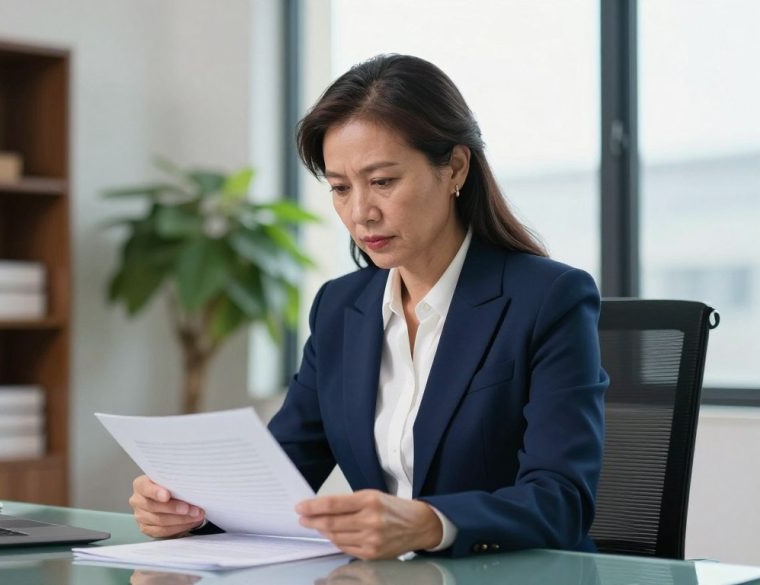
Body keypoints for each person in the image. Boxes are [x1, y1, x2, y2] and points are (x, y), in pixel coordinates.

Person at [128, 54, 608, 560]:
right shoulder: (340, 307)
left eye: (382, 182)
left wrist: (430, 524)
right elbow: (277, 478)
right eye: (340, 188)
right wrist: (190, 512)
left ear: (455, 169)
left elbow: (561, 500)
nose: (360, 212)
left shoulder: (548, 299)